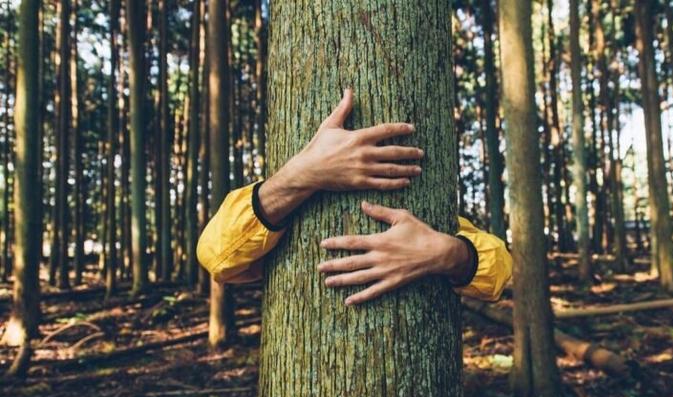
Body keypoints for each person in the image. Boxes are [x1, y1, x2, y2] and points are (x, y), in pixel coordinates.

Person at [197, 90, 512, 305]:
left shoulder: (429, 215)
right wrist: (300, 175)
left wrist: (448, 253)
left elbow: (499, 270)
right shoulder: (281, 206)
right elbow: (216, 256)